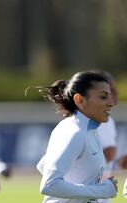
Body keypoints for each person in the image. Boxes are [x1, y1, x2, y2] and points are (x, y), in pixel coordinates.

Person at [34, 71, 118, 203]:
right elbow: (49, 185)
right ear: (80, 100)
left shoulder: (89, 129)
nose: (111, 102)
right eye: (103, 97)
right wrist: (100, 191)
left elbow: (43, 165)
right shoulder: (75, 132)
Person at [92, 71, 118, 203]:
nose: (115, 93)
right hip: (96, 190)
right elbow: (109, 153)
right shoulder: (103, 120)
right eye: (110, 90)